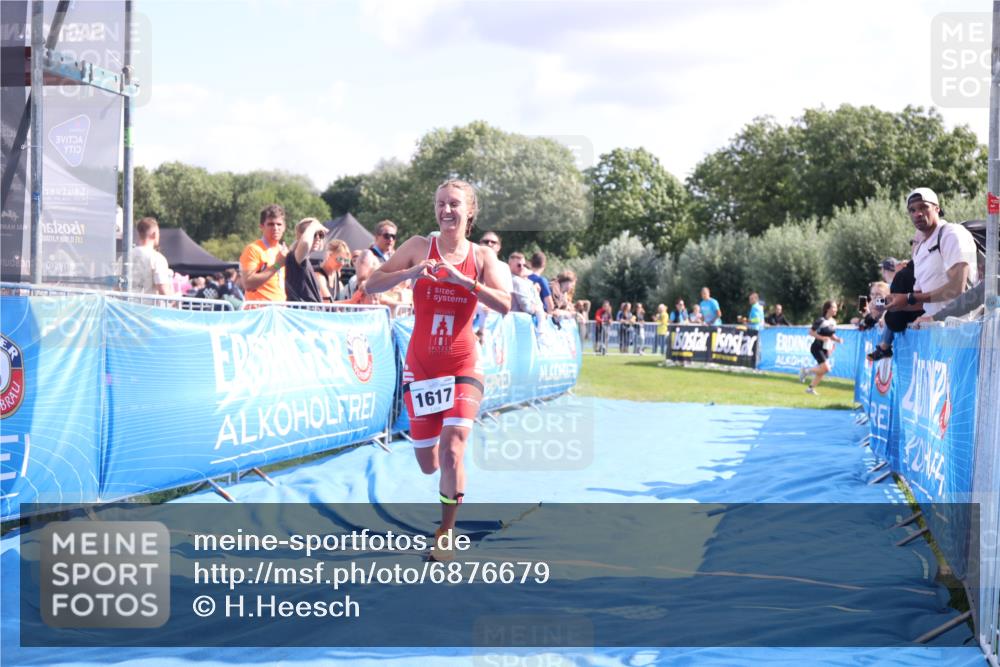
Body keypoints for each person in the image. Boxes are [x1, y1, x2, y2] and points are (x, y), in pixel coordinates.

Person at [365, 179, 510, 562]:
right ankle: (446, 488)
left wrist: (465, 281)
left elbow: (505, 304)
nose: (447, 210)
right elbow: (371, 282)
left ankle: (446, 531)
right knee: (428, 463)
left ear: (470, 211)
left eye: (455, 204)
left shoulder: (481, 257)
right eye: (441, 203)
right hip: (423, 368)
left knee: (452, 450)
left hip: (463, 363)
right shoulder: (417, 247)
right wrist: (408, 274)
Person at [885, 188, 978, 320]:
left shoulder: (951, 233)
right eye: (912, 210)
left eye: (923, 207)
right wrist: (897, 303)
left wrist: (909, 297)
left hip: (961, 326)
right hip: (935, 327)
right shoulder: (919, 248)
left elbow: (957, 288)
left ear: (937, 209)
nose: (917, 214)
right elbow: (922, 300)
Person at [240, 204, 289, 302]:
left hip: (280, 310)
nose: (275, 228)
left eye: (279, 224)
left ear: (284, 227)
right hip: (258, 312)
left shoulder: (284, 250)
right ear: (261, 226)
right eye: (270, 224)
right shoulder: (253, 249)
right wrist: (277, 265)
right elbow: (248, 284)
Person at [800, 300, 844, 395]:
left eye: (836, 307)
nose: (836, 309)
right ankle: (806, 371)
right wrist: (822, 338)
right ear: (828, 309)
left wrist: (837, 339)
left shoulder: (833, 322)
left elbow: (832, 335)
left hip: (825, 348)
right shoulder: (821, 320)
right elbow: (811, 332)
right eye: (834, 307)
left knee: (823, 370)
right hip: (817, 347)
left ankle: (810, 389)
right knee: (826, 369)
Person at [284, 217, 327, 302]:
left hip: (310, 313)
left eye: (320, 234)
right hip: (301, 313)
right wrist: (313, 226)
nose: (318, 238)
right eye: (314, 234)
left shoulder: (305, 260)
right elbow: (306, 243)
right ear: (301, 236)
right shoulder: (295, 257)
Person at [130, 217, 174, 295]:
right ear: (154, 234)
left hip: (125, 305)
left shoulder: (124, 257)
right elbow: (163, 290)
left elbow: (117, 286)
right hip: (147, 306)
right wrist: (176, 298)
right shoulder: (157, 258)